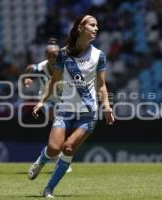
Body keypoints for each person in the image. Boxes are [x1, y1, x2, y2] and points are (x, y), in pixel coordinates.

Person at [32, 14, 114, 198]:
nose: (96, 28)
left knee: (68, 148)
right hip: (65, 111)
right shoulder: (63, 53)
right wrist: (41, 102)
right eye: (92, 25)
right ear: (80, 28)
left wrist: (107, 107)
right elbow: (54, 81)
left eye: (97, 25)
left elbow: (102, 85)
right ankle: (41, 160)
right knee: (54, 148)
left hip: (88, 113)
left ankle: (48, 189)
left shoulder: (99, 55)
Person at [23, 38, 73, 177]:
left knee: (64, 128)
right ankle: (58, 157)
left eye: (55, 55)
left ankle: (58, 155)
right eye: (50, 55)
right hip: (46, 99)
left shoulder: (66, 66)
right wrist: (26, 80)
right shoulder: (39, 68)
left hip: (64, 100)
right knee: (57, 119)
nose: (53, 58)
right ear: (46, 56)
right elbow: (28, 71)